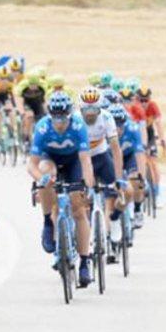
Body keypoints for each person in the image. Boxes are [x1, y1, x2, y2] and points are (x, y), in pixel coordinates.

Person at [28, 91, 96, 285]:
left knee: (78, 209)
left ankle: (84, 261)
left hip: (73, 161)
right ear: (50, 114)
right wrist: (42, 180)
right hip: (50, 160)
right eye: (55, 116)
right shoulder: (42, 128)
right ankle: (48, 222)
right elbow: (31, 165)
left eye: (63, 117)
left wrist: (87, 187)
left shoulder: (78, 126)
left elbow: (85, 162)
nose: (59, 121)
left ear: (69, 114)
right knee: (45, 174)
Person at [78, 86, 124, 261]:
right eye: (86, 110)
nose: (90, 113)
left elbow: (116, 149)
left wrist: (119, 179)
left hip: (101, 157)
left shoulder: (106, 118)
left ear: (100, 108)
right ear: (80, 108)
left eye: (94, 109)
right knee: (80, 198)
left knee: (122, 193)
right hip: (82, 159)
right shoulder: (75, 120)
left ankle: (113, 220)